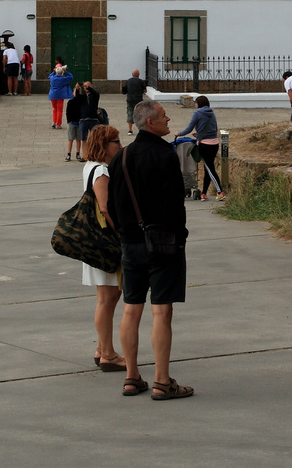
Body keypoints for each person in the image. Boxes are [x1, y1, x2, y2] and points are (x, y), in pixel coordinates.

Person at [108, 100, 193, 400]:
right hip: (164, 242)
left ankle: (131, 377)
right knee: (162, 311)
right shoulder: (165, 155)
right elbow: (175, 203)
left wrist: (125, 232)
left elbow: (111, 206)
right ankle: (162, 380)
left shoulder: (122, 157)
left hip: (130, 243)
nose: (169, 118)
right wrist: (179, 238)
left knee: (131, 309)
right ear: (151, 123)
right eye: (164, 115)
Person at [82, 124, 126, 371]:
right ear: (104, 145)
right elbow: (105, 207)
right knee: (108, 298)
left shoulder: (91, 167)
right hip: (105, 242)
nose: (119, 146)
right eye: (115, 142)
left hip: (94, 241)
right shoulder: (101, 171)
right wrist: (120, 232)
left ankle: (102, 349)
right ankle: (108, 353)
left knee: (106, 297)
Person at [175, 94, 225, 201]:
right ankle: (203, 193)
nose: (195, 105)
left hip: (204, 145)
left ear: (199, 104)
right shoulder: (212, 113)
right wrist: (199, 134)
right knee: (208, 168)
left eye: (196, 103)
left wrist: (178, 133)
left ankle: (220, 191)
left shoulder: (197, 113)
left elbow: (189, 128)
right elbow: (213, 129)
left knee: (210, 169)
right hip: (214, 143)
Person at [48, 60, 74, 129]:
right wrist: (66, 71)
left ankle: (54, 122)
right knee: (59, 110)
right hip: (60, 96)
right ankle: (58, 124)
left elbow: (49, 76)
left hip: (53, 95)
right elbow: (71, 77)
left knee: (54, 109)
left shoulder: (52, 78)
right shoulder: (63, 79)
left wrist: (54, 71)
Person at [79, 80, 100, 159]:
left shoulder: (95, 96)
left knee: (94, 138)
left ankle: (94, 154)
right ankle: (84, 155)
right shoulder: (83, 97)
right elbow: (77, 97)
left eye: (88, 86)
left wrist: (88, 87)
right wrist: (77, 88)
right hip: (83, 119)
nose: (86, 87)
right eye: (85, 86)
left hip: (93, 119)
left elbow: (95, 93)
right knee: (83, 139)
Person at [122, 69, 145, 136]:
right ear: (138, 75)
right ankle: (141, 129)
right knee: (140, 114)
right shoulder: (140, 81)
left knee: (130, 113)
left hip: (130, 100)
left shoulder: (128, 81)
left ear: (132, 74)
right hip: (139, 100)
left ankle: (130, 130)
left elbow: (124, 91)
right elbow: (145, 90)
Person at [65, 82, 85, 162]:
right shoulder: (71, 102)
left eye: (79, 91)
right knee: (70, 139)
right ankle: (68, 153)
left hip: (79, 122)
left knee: (78, 139)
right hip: (72, 122)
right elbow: (67, 112)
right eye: (77, 91)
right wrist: (69, 121)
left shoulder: (82, 100)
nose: (78, 92)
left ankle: (78, 153)